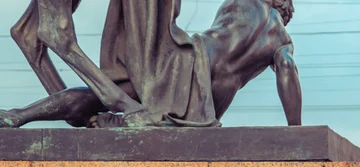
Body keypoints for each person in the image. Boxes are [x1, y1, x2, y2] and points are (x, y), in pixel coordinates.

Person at [0, 0, 300, 128]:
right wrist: (296, 129)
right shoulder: (280, 40)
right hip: (194, 88)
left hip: (186, 59)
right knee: (113, 97)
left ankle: (16, 116)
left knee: (102, 96)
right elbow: (287, 69)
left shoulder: (243, 5)